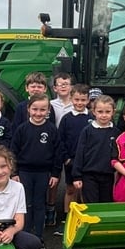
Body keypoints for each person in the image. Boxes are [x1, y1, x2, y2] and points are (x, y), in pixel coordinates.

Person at [10, 93, 64, 248]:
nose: (38, 113)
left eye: (42, 110)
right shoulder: (22, 129)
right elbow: (13, 151)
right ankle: (24, 237)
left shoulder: (52, 130)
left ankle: (39, 238)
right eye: (35, 109)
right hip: (24, 173)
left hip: (43, 174)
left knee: (40, 205)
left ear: (48, 111)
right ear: (28, 109)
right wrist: (14, 173)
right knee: (25, 205)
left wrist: (55, 173)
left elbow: (57, 153)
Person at [56, 84, 92, 235]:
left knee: (84, 189)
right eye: (76, 99)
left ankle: (83, 220)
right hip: (71, 160)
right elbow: (60, 140)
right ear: (71, 99)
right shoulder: (66, 119)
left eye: (83, 100)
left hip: (88, 162)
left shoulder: (91, 118)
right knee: (70, 189)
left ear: (88, 100)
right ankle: (66, 219)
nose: (79, 103)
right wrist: (66, 158)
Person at [72, 95, 119, 204]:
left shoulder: (116, 132)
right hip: (89, 175)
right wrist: (77, 176)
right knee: (91, 205)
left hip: (108, 176)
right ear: (94, 112)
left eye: (107, 112)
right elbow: (80, 153)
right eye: (100, 111)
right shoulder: (87, 131)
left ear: (113, 112)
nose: (104, 115)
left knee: (106, 205)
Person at [47, 72, 74, 226]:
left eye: (66, 84)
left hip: (69, 147)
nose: (63, 86)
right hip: (54, 146)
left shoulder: (76, 104)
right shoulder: (50, 105)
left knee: (71, 181)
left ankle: (70, 213)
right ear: (55, 88)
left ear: (71, 87)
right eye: (60, 84)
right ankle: (51, 207)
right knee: (54, 179)